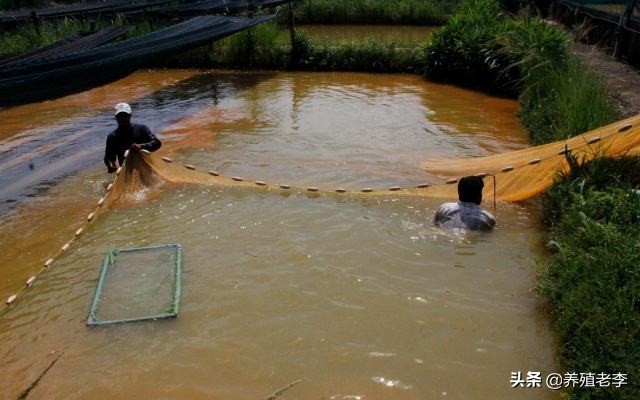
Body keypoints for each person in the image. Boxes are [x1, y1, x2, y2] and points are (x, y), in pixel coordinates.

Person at [104, 103, 161, 173]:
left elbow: (157, 143)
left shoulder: (142, 129)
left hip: (147, 166)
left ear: (130, 115)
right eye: (120, 116)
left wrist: (141, 146)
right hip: (128, 171)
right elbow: (108, 157)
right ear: (116, 117)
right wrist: (111, 165)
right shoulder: (112, 136)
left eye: (125, 115)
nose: (122, 118)